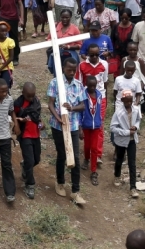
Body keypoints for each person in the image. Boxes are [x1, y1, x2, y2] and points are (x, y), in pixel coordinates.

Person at [47, 58, 87, 205]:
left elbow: (83, 105)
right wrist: (58, 118)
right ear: (63, 68)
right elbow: (50, 103)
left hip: (74, 125)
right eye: (69, 69)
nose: (71, 72)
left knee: (75, 157)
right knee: (62, 155)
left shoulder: (78, 85)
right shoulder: (55, 82)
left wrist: (72, 108)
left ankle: (76, 191)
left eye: (74, 70)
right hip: (57, 125)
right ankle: (60, 182)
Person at [14, 82, 43, 200]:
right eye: (28, 96)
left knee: (37, 159)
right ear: (23, 93)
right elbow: (12, 115)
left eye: (33, 95)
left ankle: (25, 166)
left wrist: (41, 123)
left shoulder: (36, 102)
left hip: (36, 134)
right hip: (25, 135)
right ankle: (29, 185)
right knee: (30, 161)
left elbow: (38, 116)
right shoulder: (18, 104)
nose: (31, 98)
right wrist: (19, 120)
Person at [111, 90, 141, 198]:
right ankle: (117, 175)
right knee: (119, 159)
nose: (129, 103)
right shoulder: (118, 113)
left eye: (130, 101)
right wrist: (127, 132)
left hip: (132, 140)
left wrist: (136, 127)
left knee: (132, 163)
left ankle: (133, 187)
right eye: (126, 101)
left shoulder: (136, 109)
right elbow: (113, 128)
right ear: (122, 100)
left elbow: (138, 120)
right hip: (121, 141)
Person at [79, 76, 103, 186]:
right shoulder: (83, 95)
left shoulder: (99, 95)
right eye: (90, 86)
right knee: (87, 145)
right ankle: (86, 159)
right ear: (86, 84)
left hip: (96, 126)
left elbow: (100, 109)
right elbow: (80, 112)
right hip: (86, 125)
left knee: (94, 148)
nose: (92, 88)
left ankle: (93, 171)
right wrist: (80, 126)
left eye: (94, 85)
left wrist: (100, 121)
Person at [46, 9, 82, 76]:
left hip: (70, 53)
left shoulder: (75, 29)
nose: (64, 19)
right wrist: (53, 43)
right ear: (60, 17)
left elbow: (79, 45)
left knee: (70, 73)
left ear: (70, 17)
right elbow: (49, 38)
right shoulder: (56, 26)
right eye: (63, 17)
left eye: (67, 17)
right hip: (57, 53)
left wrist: (68, 47)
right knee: (57, 72)